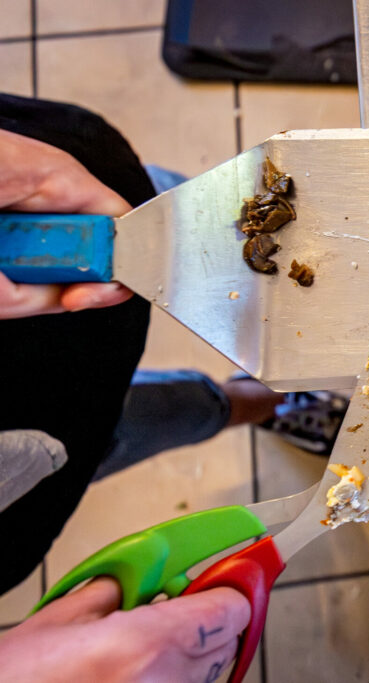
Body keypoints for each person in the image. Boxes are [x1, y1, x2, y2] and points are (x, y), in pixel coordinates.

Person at [0, 95, 250, 681]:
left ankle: (217, 223)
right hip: (17, 470)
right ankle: (257, 406)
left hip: (42, 198)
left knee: (166, 214)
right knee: (107, 435)